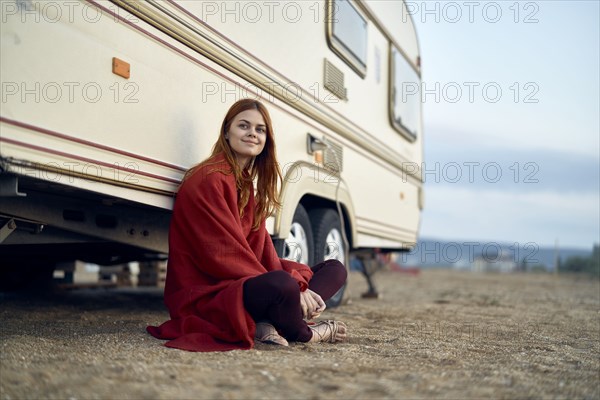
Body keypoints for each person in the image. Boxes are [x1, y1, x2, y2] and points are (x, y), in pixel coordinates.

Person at [147, 99, 348, 352]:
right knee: (282, 285)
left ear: (266, 140)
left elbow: (262, 253)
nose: (252, 133)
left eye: (260, 129)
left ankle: (269, 321)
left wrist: (300, 286)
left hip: (245, 281)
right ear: (226, 133)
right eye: (244, 126)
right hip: (211, 292)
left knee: (334, 268)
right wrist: (294, 288)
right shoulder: (209, 179)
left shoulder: (243, 184)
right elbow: (223, 255)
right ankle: (303, 332)